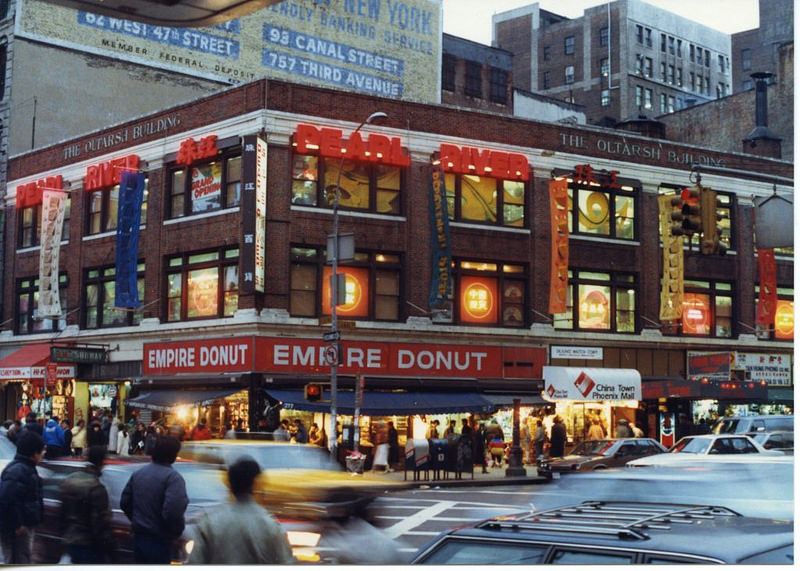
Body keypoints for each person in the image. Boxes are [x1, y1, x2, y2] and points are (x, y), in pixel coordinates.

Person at [187, 456, 294, 564]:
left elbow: (195, 562)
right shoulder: (270, 526)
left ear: (229, 484)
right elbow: (285, 562)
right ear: (256, 484)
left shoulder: (209, 523)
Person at [121, 435, 189, 564]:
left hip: (139, 538)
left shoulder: (138, 474)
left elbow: (125, 502)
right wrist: (175, 531)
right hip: (160, 540)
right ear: (173, 455)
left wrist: (137, 519)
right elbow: (173, 511)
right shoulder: (173, 478)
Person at [59, 445, 119, 563]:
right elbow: (100, 524)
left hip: (71, 540)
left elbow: (62, 512)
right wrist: (111, 549)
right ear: (102, 462)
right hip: (90, 545)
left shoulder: (71, 480)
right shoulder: (97, 488)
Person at [0, 431, 45, 564]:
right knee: (18, 561)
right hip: (17, 530)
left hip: (22, 526)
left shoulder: (26, 468)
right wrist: (18, 524)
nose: (43, 454)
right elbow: (6, 498)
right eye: (41, 451)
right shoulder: (19, 470)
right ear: (34, 453)